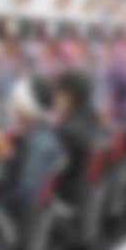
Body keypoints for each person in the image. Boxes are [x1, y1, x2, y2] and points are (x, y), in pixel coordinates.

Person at [0, 75, 65, 221]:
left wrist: (0, 204)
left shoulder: (37, 145)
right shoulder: (46, 135)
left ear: (27, 107)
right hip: (31, 218)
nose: (11, 104)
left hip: (16, 220)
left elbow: (25, 196)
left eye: (15, 100)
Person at [54, 70, 98, 208]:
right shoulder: (91, 116)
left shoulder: (68, 132)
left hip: (64, 199)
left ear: (70, 96)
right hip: (83, 195)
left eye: (58, 93)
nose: (55, 98)